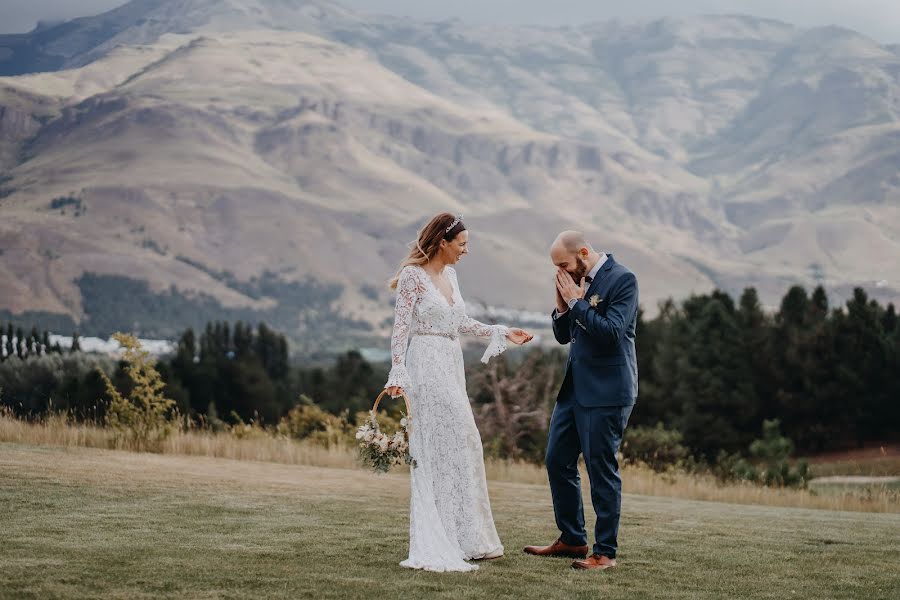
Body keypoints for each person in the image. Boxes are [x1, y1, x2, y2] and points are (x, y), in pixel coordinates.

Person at [385, 212, 533, 572]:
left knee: (461, 445)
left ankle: (469, 539)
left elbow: (459, 322)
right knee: (446, 445)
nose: (466, 251)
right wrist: (398, 371)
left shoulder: (450, 274)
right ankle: (441, 540)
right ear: (442, 243)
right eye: (462, 244)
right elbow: (401, 328)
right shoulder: (412, 277)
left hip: (450, 363)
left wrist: (499, 331)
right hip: (425, 363)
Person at [524, 230, 639, 571]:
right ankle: (573, 538)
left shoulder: (622, 279)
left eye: (563, 264)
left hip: (607, 392)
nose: (561, 271)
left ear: (584, 253)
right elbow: (564, 336)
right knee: (557, 460)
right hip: (574, 390)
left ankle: (605, 553)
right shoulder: (575, 283)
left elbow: (610, 334)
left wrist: (575, 301)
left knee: (601, 469)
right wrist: (563, 305)